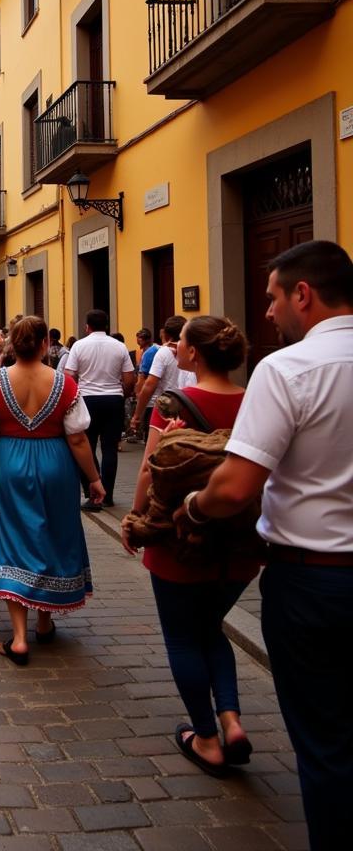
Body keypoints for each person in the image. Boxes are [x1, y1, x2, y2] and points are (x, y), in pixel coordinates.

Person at [178, 241, 353, 850]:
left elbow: (234, 487)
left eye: (275, 296)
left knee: (327, 743)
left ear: (303, 293)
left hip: (316, 582)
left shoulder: (288, 369)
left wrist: (194, 506)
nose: (270, 311)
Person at [120, 316, 258, 777]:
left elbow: (148, 471)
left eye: (180, 342)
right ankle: (232, 720)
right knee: (212, 630)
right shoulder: (257, 401)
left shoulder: (174, 402)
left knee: (182, 637)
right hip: (240, 541)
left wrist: (136, 519)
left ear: (194, 354)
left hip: (178, 537)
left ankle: (205, 736)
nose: (174, 346)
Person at [0, 316, 101, 666]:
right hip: (56, 463)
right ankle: (44, 619)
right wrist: (94, 479)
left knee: (14, 536)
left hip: (10, 461)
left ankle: (19, 638)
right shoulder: (64, 384)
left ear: (11, 347)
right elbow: (78, 437)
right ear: (42, 346)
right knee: (52, 531)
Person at [63, 309, 135, 509]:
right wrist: (124, 394)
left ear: (87, 326)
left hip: (87, 399)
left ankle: (92, 492)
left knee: (87, 445)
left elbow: (69, 375)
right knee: (110, 448)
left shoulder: (79, 345)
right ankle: (109, 495)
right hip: (113, 399)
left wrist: (75, 394)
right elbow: (129, 378)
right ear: (107, 325)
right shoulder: (119, 346)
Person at [129, 315, 194, 436]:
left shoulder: (163, 353)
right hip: (190, 407)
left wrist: (137, 414)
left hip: (167, 409)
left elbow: (150, 384)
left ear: (166, 335)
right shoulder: (193, 351)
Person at [131, 327, 160, 438]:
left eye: (139, 339)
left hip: (149, 393)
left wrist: (138, 391)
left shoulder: (148, 353)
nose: (137, 341)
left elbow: (142, 376)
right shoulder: (155, 349)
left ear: (144, 340)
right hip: (154, 391)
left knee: (147, 417)